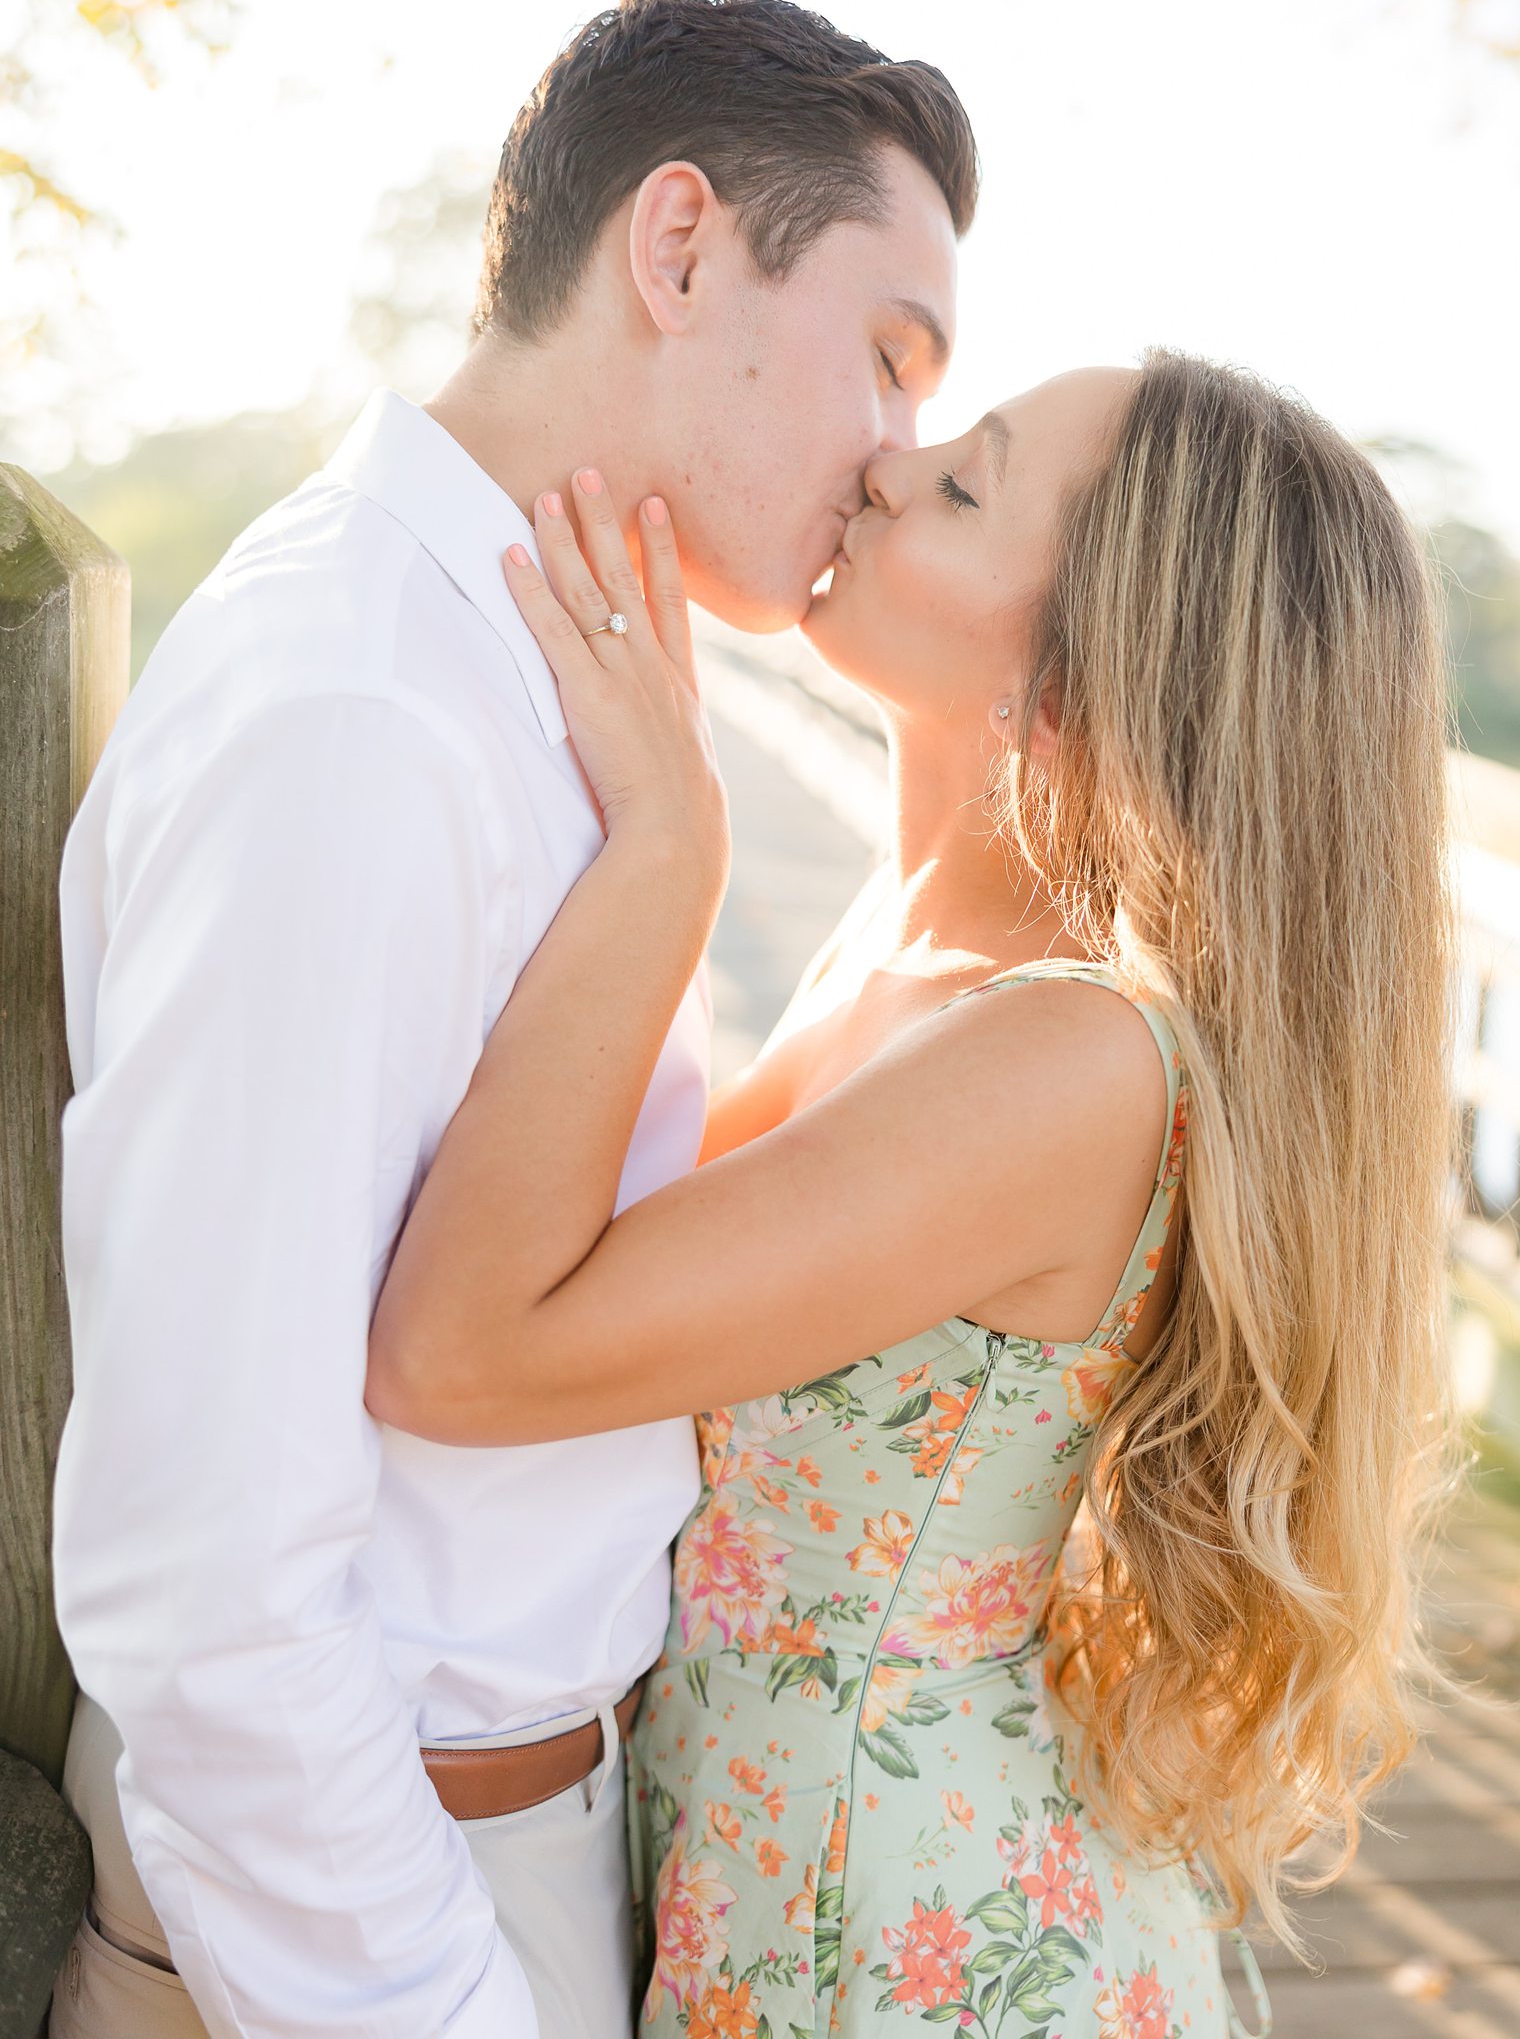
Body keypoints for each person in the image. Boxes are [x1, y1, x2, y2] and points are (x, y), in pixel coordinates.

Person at [48, 0, 974, 2039]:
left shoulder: (518, 678)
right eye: (886, 358)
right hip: (360, 1923)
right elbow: (205, 1565)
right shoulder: (360, 708)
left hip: (502, 1855)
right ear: (675, 246)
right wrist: (439, 2003)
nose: (893, 452)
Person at [366, 351, 1457, 2039]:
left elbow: (462, 1353)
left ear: (1082, 677)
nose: (887, 463)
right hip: (783, 1871)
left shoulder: (1067, 1060)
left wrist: (670, 847)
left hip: (901, 1941)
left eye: (962, 482)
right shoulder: (917, 935)